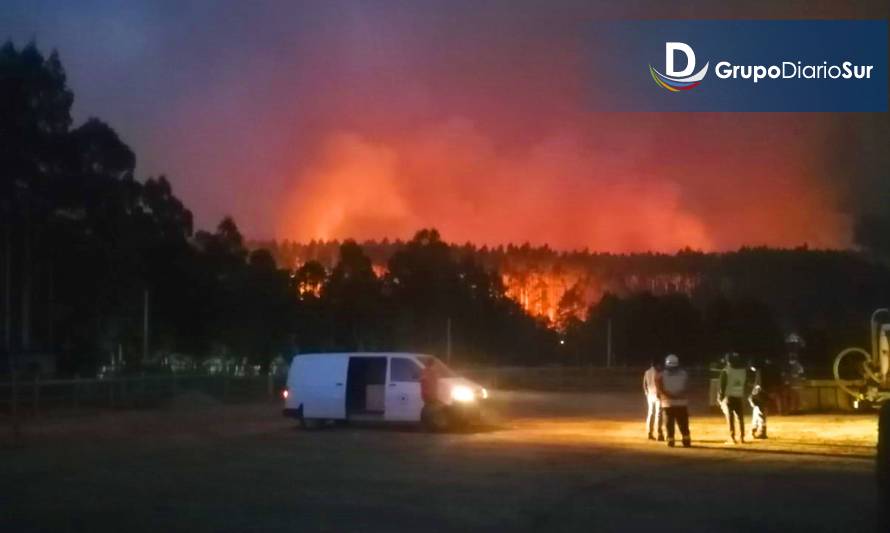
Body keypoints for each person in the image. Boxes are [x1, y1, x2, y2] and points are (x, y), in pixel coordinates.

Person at [656, 354, 691, 448]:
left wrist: (669, 396)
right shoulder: (684, 374)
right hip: (682, 403)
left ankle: (671, 440)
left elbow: (659, 389)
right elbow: (687, 387)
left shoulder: (661, 375)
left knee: (669, 423)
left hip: (668, 403)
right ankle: (686, 439)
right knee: (683, 423)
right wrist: (679, 395)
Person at [718, 352, 748, 444]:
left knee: (730, 417)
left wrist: (720, 396)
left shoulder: (726, 371)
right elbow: (745, 383)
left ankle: (732, 437)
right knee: (740, 418)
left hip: (729, 396)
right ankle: (742, 436)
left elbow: (722, 385)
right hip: (739, 395)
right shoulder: (743, 370)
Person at [643, 356, 664, 441]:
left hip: (650, 395)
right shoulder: (659, 372)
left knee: (650, 413)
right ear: (657, 364)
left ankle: (650, 432)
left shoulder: (647, 372)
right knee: (658, 414)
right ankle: (659, 433)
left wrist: (647, 393)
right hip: (658, 395)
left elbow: (644, 384)